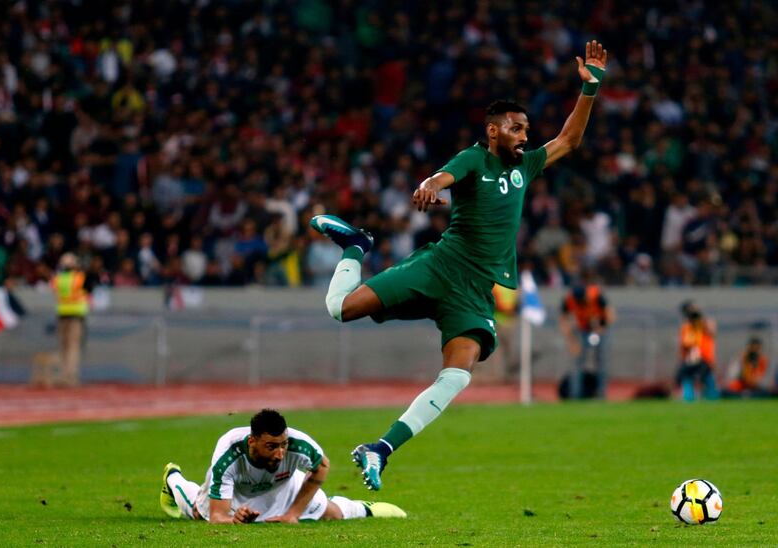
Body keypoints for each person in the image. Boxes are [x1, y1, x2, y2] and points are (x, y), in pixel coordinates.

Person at [309, 41, 608, 490]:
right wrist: (429, 186)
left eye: (526, 129)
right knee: (341, 309)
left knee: (458, 374)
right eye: (515, 128)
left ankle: (380, 449)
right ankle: (355, 246)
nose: (524, 135)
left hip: (473, 291)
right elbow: (440, 177)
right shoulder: (474, 158)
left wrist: (590, 89)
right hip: (440, 266)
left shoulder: (526, 168)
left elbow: (569, 140)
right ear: (493, 131)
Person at [159, 408, 406, 523]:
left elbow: (322, 466)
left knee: (332, 514)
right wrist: (234, 520)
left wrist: (293, 514)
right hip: (236, 494)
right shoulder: (229, 454)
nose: (280, 454)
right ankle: (174, 479)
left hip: (282, 485)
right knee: (196, 514)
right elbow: (218, 516)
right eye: (271, 446)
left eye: (283, 445)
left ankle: (364, 508)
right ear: (252, 441)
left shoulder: (298, 445)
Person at [558, 284, 614, 399]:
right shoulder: (569, 300)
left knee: (601, 361)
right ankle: (575, 395)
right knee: (577, 362)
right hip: (582, 330)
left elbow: (610, 316)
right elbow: (563, 321)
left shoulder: (596, 296)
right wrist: (572, 342)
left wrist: (599, 330)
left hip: (600, 329)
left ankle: (600, 394)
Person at [49, 252, 92, 387]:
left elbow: (55, 291)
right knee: (73, 348)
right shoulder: (79, 278)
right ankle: (70, 377)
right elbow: (89, 289)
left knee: (63, 347)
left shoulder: (57, 279)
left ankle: (62, 376)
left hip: (62, 315)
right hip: (76, 316)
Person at [676, 300, 719, 401]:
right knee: (687, 378)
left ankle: (710, 398)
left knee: (707, 380)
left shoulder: (705, 323)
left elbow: (712, 332)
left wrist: (701, 323)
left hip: (706, 358)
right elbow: (685, 344)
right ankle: (688, 398)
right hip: (691, 360)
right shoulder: (686, 327)